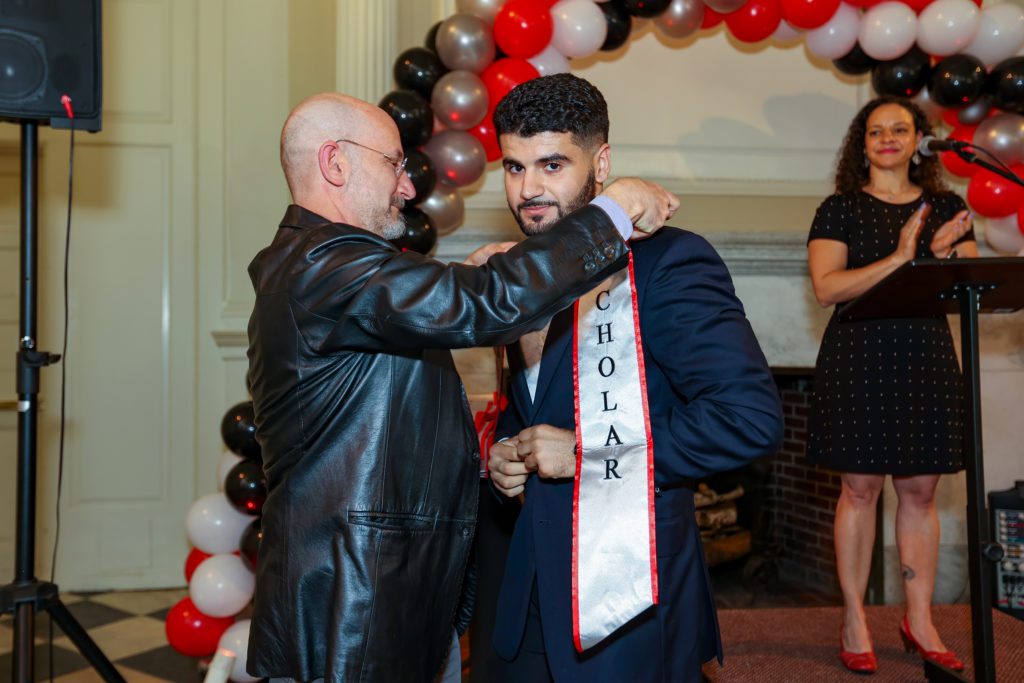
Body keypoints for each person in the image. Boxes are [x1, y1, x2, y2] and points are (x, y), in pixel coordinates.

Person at [245, 91, 680, 683]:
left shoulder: (321, 266)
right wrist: (615, 210)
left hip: (379, 597)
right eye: (394, 164)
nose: (407, 186)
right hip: (352, 607)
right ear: (335, 163)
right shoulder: (325, 265)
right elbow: (487, 305)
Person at [483, 74, 785, 683]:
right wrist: (504, 456)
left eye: (550, 164)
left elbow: (749, 418)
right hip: (527, 596)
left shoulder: (671, 261)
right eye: (514, 168)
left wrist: (590, 454)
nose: (529, 190)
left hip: (627, 598)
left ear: (602, 162)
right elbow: (538, 407)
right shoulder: (520, 275)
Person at [806, 95, 977, 674]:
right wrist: (903, 256)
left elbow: (967, 286)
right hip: (858, 355)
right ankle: (854, 615)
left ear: (917, 139)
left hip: (925, 356)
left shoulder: (947, 205)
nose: (886, 138)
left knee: (921, 493)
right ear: (862, 143)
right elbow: (828, 287)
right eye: (874, 130)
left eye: (899, 128)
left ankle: (919, 616)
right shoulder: (840, 208)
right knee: (859, 490)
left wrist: (933, 253)